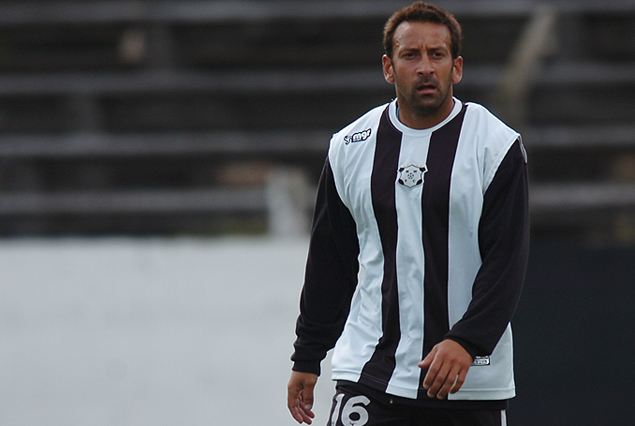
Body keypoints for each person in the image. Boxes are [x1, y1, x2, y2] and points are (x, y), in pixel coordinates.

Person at [287, 2, 529, 425]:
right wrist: (308, 354)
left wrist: (467, 341)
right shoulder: (349, 147)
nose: (424, 67)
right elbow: (331, 262)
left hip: (466, 380)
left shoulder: (494, 145)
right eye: (410, 55)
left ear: (456, 68)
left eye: (437, 55)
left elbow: (506, 262)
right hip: (370, 373)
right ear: (388, 66)